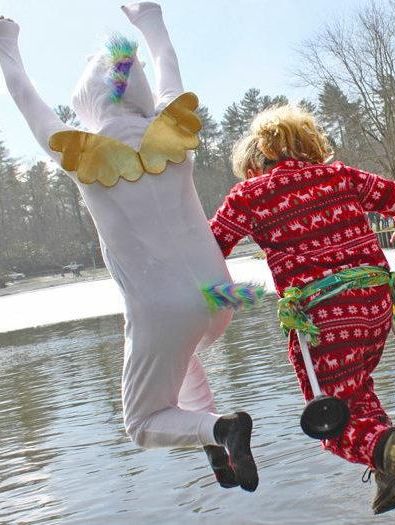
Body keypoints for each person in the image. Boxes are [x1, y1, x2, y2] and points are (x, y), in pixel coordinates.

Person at [0, 3, 267, 490]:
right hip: (219, 295)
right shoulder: (173, 129)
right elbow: (166, 59)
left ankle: (221, 431)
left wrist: (6, 43)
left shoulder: (81, 152)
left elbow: (24, 95)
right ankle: (218, 451)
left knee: (142, 423)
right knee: (182, 356)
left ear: (86, 104)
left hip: (164, 309)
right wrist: (148, 20)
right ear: (136, 89)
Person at [208, 104, 395, 524]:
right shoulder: (341, 176)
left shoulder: (250, 195)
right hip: (376, 305)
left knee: (333, 424)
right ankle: (391, 476)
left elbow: (209, 247)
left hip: (323, 315)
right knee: (357, 393)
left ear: (260, 154)